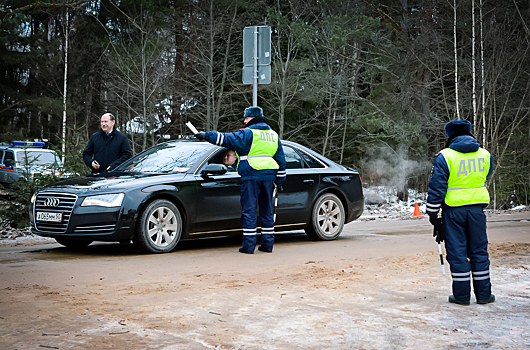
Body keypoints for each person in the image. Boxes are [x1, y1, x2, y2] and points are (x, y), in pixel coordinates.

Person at [195, 106, 286, 254]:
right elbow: (281, 160)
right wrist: (280, 180)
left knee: (249, 211)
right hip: (269, 176)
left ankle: (249, 246)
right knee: (267, 210)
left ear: (253, 118)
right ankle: (267, 245)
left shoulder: (248, 133)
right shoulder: (273, 135)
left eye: (246, 118)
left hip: (251, 175)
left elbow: (226, 139)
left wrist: (206, 135)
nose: (244, 121)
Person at [426, 119, 495, 305]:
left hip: (453, 212)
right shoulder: (485, 155)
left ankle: (462, 296)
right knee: (479, 252)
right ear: (469, 132)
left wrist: (432, 213)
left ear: (450, 135)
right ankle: (484, 295)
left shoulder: (445, 156)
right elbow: (486, 175)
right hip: (477, 211)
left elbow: (437, 186)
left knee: (457, 253)